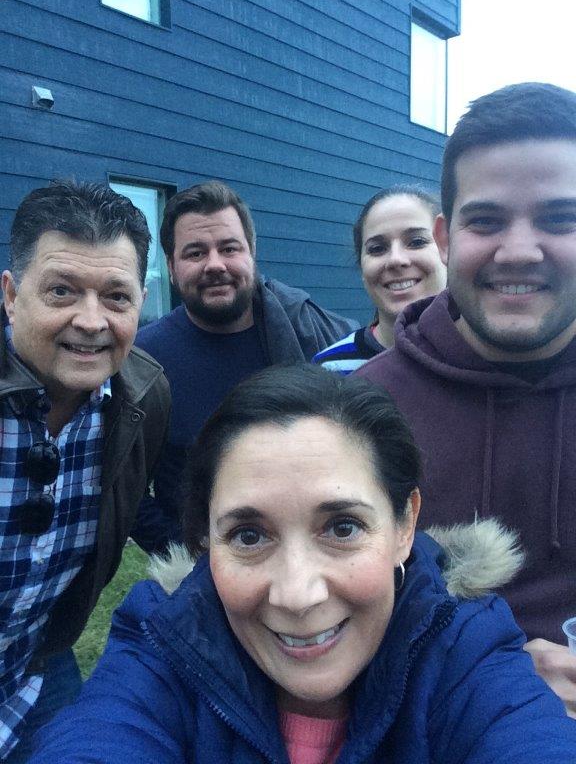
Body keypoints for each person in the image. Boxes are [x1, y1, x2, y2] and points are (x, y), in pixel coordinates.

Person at [29, 365, 576, 764]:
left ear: (405, 524)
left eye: (342, 528)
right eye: (248, 535)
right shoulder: (162, 639)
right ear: (204, 542)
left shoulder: (465, 648)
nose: (297, 594)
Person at [356, 82, 576, 717]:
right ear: (447, 239)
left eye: (558, 219)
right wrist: (483, 680)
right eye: (487, 221)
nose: (519, 251)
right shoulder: (358, 414)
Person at [0, 180, 170, 761]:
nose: (92, 321)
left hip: (35, 668)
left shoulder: (144, 396)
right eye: (62, 291)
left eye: (116, 297)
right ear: (10, 294)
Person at [135, 180, 357, 549]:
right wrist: (193, 555)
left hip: (316, 548)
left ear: (252, 253)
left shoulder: (310, 333)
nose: (215, 265)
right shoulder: (143, 359)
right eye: (195, 253)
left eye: (229, 248)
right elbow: (128, 489)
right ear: (172, 267)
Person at [312, 186, 446, 373]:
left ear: (447, 249)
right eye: (377, 248)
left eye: (416, 242)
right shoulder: (330, 371)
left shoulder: (488, 359)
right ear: (361, 266)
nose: (395, 259)